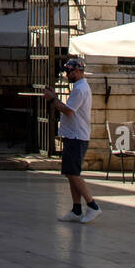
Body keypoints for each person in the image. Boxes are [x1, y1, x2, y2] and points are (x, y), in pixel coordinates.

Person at [43, 56, 101, 223]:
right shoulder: (79, 87)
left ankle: (93, 205)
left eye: (68, 71)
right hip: (73, 136)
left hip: (77, 136)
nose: (66, 74)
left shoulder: (80, 89)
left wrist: (53, 99)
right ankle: (76, 209)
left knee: (74, 174)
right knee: (70, 173)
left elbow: (69, 111)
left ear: (77, 71)